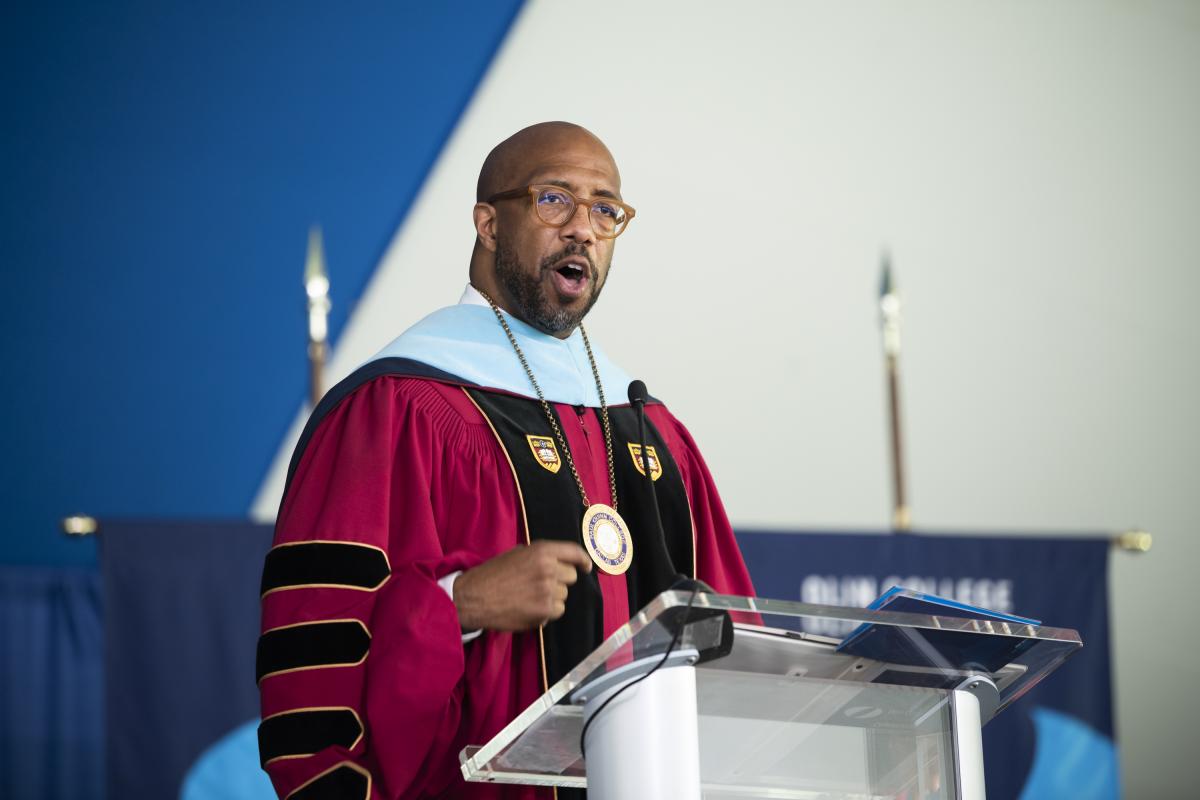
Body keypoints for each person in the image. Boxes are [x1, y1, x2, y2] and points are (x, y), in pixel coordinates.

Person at [256, 121, 755, 799]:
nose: (583, 228)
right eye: (555, 200)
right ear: (488, 224)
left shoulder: (651, 429)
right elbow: (316, 663)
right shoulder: (395, 406)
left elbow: (735, 647)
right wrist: (457, 607)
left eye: (605, 211)